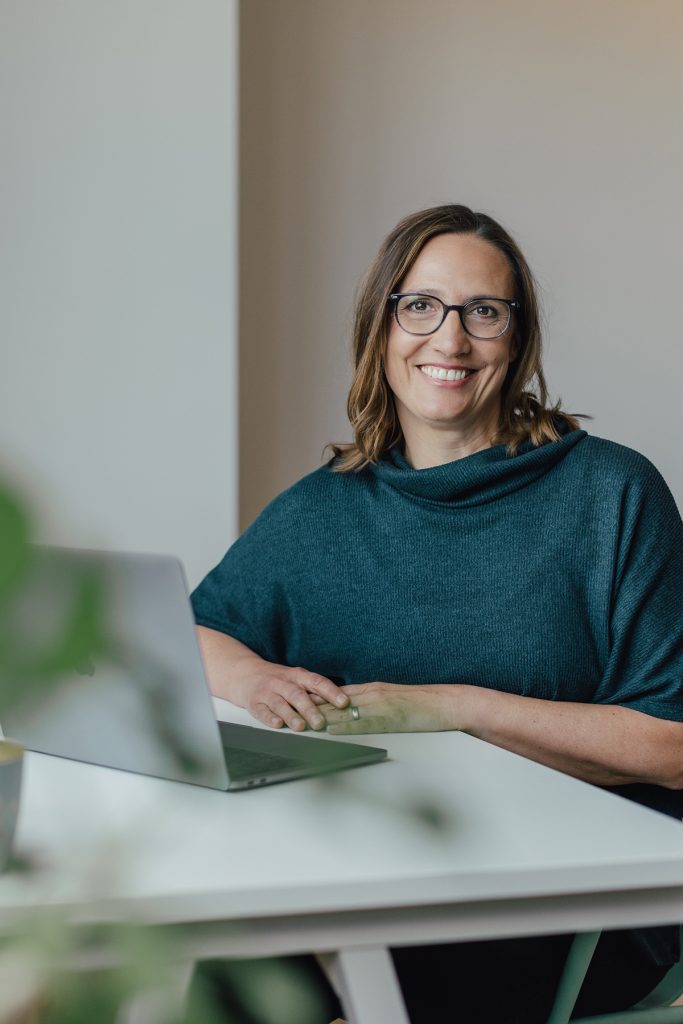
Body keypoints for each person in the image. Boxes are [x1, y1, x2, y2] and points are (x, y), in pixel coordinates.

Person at [190, 204, 683, 1023]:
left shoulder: (611, 494)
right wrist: (254, 678)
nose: (448, 341)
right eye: (419, 307)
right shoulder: (323, 509)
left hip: (569, 899)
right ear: (380, 328)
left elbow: (671, 746)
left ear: (515, 341)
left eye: (481, 313)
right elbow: (199, 629)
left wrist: (451, 708)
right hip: (365, 867)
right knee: (227, 958)